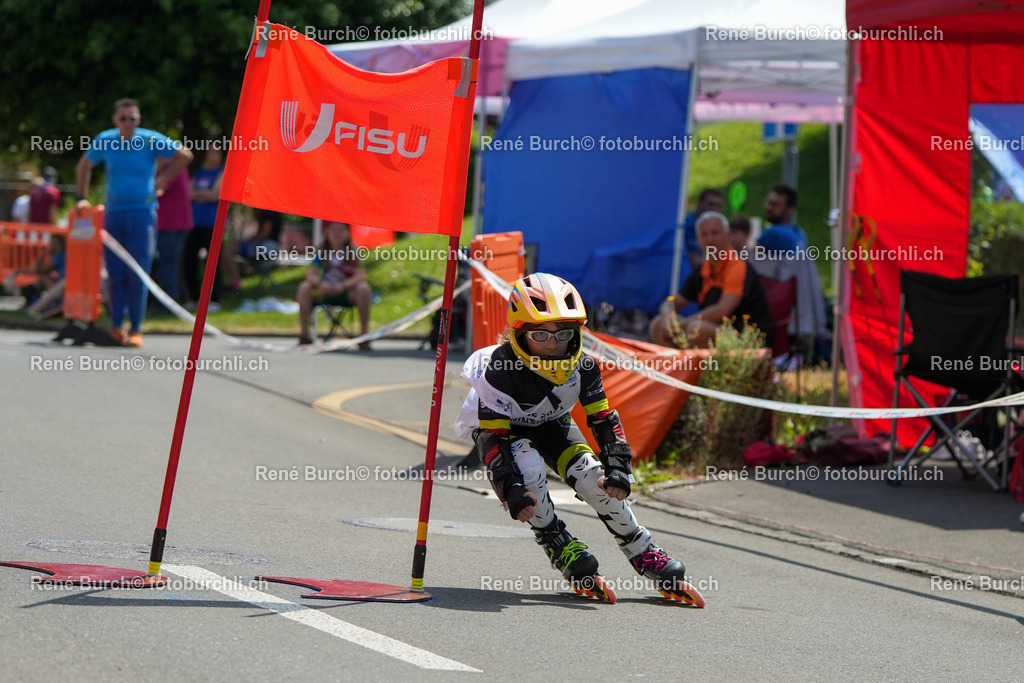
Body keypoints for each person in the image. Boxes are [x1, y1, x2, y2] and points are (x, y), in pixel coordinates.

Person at [453, 273, 704, 605]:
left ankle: (642, 549)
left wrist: (618, 466)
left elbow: (602, 418)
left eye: (564, 334)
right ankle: (557, 542)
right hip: (505, 429)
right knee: (527, 469)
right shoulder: (498, 368)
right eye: (540, 334)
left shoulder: (583, 364)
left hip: (551, 422)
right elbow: (492, 437)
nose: (554, 344)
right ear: (519, 332)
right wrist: (509, 487)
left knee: (593, 478)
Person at [76, 98, 193, 347]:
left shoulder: (149, 138)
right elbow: (84, 166)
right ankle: (117, 326)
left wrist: (162, 182)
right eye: (123, 119)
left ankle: (137, 328)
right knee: (116, 273)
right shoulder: (105, 139)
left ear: (138, 120)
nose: (128, 124)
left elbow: (184, 155)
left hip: (143, 214)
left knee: (138, 272)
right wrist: (82, 198)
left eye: (133, 119)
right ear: (115, 120)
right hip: (114, 214)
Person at [649, 211, 773, 349]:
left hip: (748, 338)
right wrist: (669, 317)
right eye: (704, 234)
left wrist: (682, 324)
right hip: (716, 331)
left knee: (696, 329)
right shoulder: (703, 270)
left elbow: (722, 310)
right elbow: (671, 302)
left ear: (728, 236)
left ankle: (707, 369)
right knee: (658, 325)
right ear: (698, 240)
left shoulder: (737, 265)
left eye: (715, 233)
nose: (710, 239)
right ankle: (679, 368)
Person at [752, 182, 828, 344]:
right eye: (769, 202)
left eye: (776, 204)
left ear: (789, 210)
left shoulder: (773, 234)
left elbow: (746, 257)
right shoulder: (799, 232)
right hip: (802, 311)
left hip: (780, 310)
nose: (769, 207)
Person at [295, 221, 372, 349]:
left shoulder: (353, 252)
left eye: (341, 230)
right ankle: (304, 334)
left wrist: (343, 285)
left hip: (346, 292)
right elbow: (310, 274)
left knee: (363, 288)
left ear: (348, 233)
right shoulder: (321, 252)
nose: (338, 233)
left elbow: (361, 275)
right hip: (324, 291)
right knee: (304, 288)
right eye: (334, 230)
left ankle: (364, 334)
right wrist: (321, 284)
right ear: (327, 233)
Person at [183, 147, 225, 311]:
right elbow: (188, 194)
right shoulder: (199, 172)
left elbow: (215, 195)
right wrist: (204, 193)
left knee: (213, 262)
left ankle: (214, 300)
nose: (211, 155)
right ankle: (194, 298)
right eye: (209, 152)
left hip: (213, 223)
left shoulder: (222, 172)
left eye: (215, 152)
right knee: (189, 260)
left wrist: (200, 193)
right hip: (195, 223)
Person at [152, 158, 192, 311]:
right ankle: (168, 302)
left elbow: (155, 188)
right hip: (164, 226)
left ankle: (167, 305)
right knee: (167, 264)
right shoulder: (161, 172)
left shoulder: (176, 171)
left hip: (174, 227)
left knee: (167, 265)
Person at [221, 208, 282, 294]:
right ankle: (233, 281)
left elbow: (265, 232)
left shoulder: (270, 211)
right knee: (226, 249)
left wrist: (249, 241)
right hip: (266, 245)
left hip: (268, 247)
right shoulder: (265, 211)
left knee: (227, 250)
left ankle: (235, 283)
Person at [682, 188, 724, 269]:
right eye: (710, 204)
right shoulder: (690, 225)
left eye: (718, 206)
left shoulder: (718, 228)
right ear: (699, 203)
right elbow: (695, 260)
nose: (715, 209)